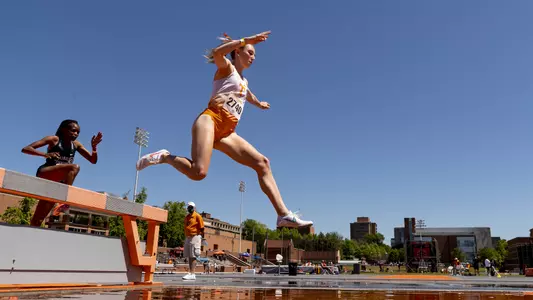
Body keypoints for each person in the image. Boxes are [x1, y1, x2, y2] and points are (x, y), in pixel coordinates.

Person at [136, 31, 313, 228]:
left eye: (255, 54)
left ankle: (283, 215)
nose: (254, 58)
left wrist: (259, 103)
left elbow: (247, 94)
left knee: (262, 163)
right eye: (250, 53)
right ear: (237, 52)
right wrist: (247, 40)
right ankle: (165, 156)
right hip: (210, 120)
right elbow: (217, 53)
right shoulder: (226, 68)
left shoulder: (244, 82)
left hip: (228, 132)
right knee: (199, 172)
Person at [21, 119, 103, 226]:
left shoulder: (76, 145)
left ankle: (29, 235)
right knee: (74, 168)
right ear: (64, 130)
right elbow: (26, 149)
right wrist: (45, 154)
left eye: (78, 132)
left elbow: (93, 160)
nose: (76, 134)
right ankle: (63, 202)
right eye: (73, 131)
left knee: (38, 220)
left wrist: (94, 148)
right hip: (46, 173)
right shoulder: (54, 139)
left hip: (56, 185)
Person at [183, 202, 205, 281]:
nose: (190, 208)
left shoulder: (197, 216)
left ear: (194, 208)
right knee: (189, 255)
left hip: (195, 236)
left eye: (191, 207)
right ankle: (190, 272)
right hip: (188, 237)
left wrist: (202, 238)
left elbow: (202, 228)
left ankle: (192, 273)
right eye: (189, 207)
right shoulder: (187, 217)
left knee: (193, 255)